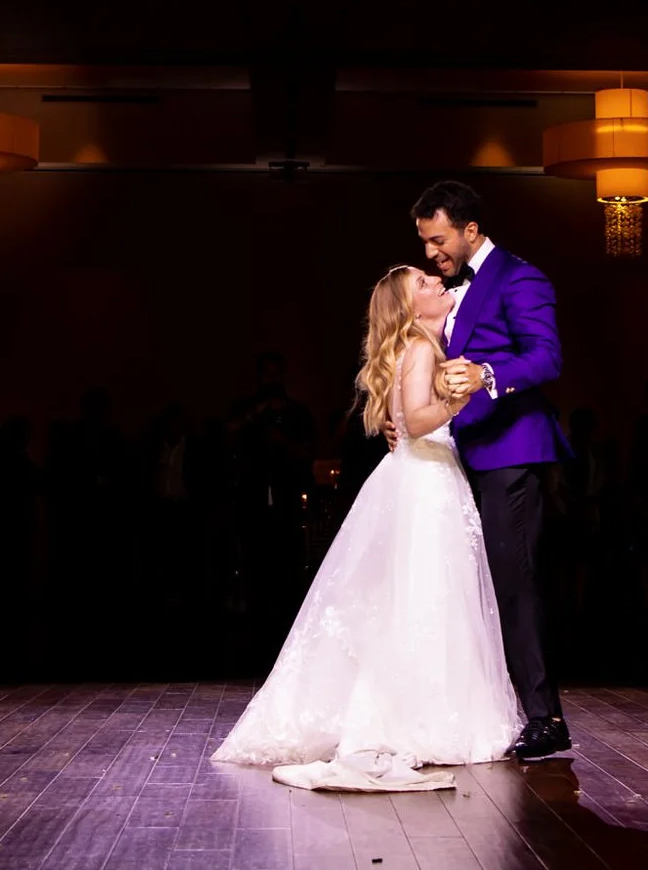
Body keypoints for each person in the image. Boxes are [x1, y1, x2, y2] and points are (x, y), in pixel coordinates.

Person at [212, 266, 522, 790]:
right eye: (424, 285)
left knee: (414, 593)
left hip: (416, 476)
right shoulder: (422, 349)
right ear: (410, 310)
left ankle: (415, 703)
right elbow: (418, 422)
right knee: (431, 591)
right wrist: (458, 399)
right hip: (427, 479)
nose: (436, 285)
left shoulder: (414, 347)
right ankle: (429, 712)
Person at [413, 180, 575, 760]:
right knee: (484, 586)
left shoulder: (519, 277)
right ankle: (507, 708)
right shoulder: (455, 293)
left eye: (438, 240)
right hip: (470, 452)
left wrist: (487, 374)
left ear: (469, 230)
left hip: (512, 450)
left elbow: (546, 355)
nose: (432, 252)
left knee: (516, 582)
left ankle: (544, 717)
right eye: (427, 242)